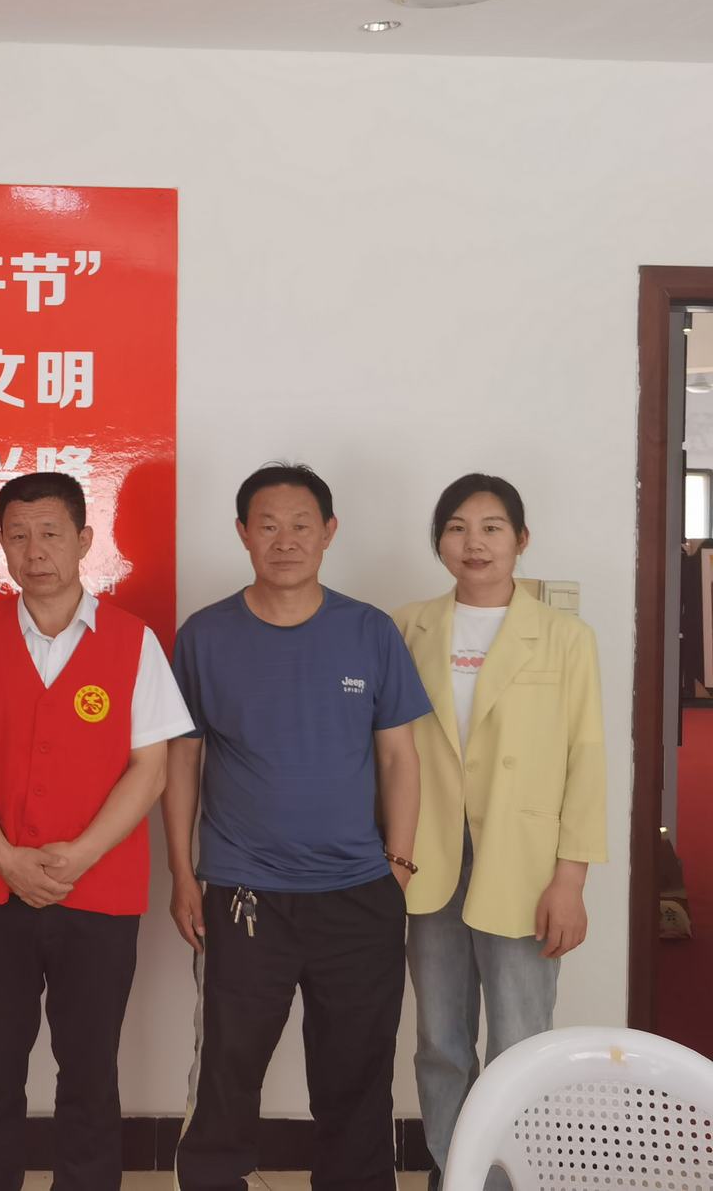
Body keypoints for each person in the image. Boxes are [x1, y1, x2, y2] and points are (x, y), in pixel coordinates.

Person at [163, 463, 429, 1191]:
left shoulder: (369, 631)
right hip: (244, 893)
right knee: (228, 1069)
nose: (285, 540)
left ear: (329, 532)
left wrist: (398, 866)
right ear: (243, 533)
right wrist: (183, 874)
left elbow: (399, 757)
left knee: (357, 1074)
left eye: (301, 524)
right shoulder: (205, 636)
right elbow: (182, 762)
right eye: (268, 525)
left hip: (359, 894)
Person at [0, 470, 193, 1191]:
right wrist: (4, 857)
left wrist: (78, 855)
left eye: (50, 533)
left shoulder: (134, 642)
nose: (34, 550)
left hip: (99, 893)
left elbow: (151, 768)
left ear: (84, 540)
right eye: (17, 536)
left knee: (89, 1068)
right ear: (0, 544)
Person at [394, 474, 605, 1189]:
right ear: (439, 542)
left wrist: (571, 878)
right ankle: (454, 1171)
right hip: (428, 859)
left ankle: (515, 1177)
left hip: (525, 864)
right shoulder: (407, 627)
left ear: (521, 539)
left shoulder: (566, 637)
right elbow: (386, 749)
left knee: (521, 1038)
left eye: (491, 527)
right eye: (456, 527)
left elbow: (586, 757)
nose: (474, 543)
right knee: (440, 1040)